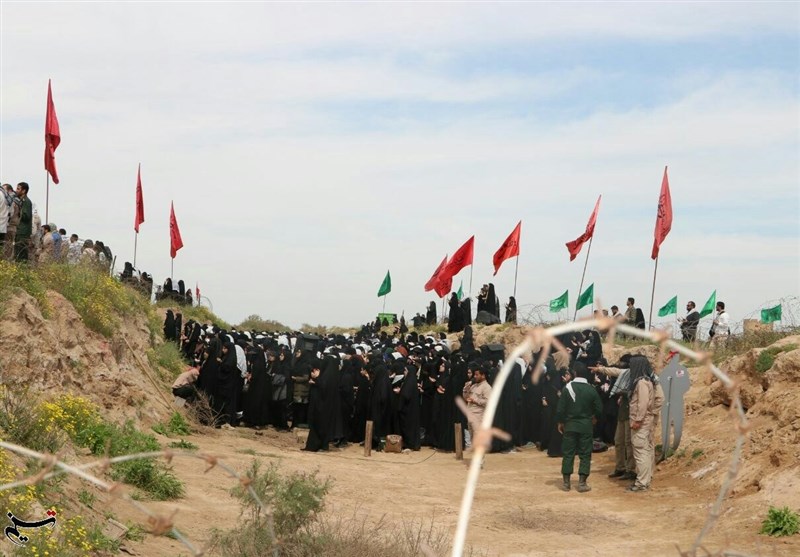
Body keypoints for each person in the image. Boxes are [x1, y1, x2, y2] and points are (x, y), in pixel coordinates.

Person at [555, 362, 602, 492]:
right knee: (585, 454)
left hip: (570, 426)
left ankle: (566, 483)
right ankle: (582, 483)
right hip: (586, 426)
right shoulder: (591, 389)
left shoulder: (567, 388)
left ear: (574, 373)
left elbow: (560, 410)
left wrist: (560, 422)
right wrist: (593, 418)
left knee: (568, 453)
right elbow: (599, 408)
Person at [628, 355, 663, 492]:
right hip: (646, 422)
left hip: (641, 423)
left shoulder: (641, 383)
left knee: (640, 452)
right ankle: (646, 480)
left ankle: (641, 483)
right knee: (646, 451)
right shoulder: (649, 381)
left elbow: (642, 404)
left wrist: (638, 420)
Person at [462, 365, 491, 449]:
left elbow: (488, 402)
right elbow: (465, 398)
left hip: (479, 416)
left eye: (477, 375)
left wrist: (475, 400)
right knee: (472, 438)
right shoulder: (474, 386)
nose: (474, 376)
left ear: (483, 375)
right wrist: (465, 389)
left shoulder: (487, 387)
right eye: (474, 375)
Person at [13, 182, 33, 262]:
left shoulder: (26, 201)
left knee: (21, 256)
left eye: (18, 189)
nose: (16, 190)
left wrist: (18, 211)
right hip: (20, 232)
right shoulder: (21, 201)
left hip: (23, 233)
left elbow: (26, 216)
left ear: (24, 191)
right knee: (18, 255)